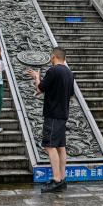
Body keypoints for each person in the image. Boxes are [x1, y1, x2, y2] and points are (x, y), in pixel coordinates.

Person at [26, 47, 74, 192]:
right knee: (60, 146)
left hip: (52, 114)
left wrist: (36, 77)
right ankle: (62, 178)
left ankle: (56, 179)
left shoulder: (53, 71)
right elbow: (70, 93)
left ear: (53, 57)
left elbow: (40, 88)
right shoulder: (69, 73)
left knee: (50, 146)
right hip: (63, 114)